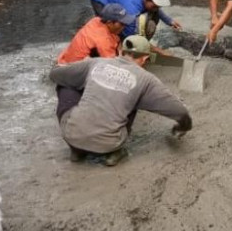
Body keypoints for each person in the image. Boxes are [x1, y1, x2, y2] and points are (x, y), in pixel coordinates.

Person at [50, 35, 192, 166]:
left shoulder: (95, 63)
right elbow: (179, 111)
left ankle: (77, 150)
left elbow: (56, 75)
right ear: (145, 58)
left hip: (71, 137)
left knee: (65, 85)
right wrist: (183, 126)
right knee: (134, 98)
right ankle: (114, 153)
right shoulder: (147, 79)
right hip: (109, 143)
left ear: (120, 51)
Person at [89, 0, 181, 41]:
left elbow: (155, 7)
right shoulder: (131, 4)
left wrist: (168, 20)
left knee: (150, 15)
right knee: (108, 27)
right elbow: (128, 31)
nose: (157, 8)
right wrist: (137, 46)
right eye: (155, 5)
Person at [57, 3, 134, 65]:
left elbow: (115, 39)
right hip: (73, 70)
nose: (125, 25)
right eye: (122, 24)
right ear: (109, 23)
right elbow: (112, 67)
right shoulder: (103, 41)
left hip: (66, 58)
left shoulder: (96, 20)